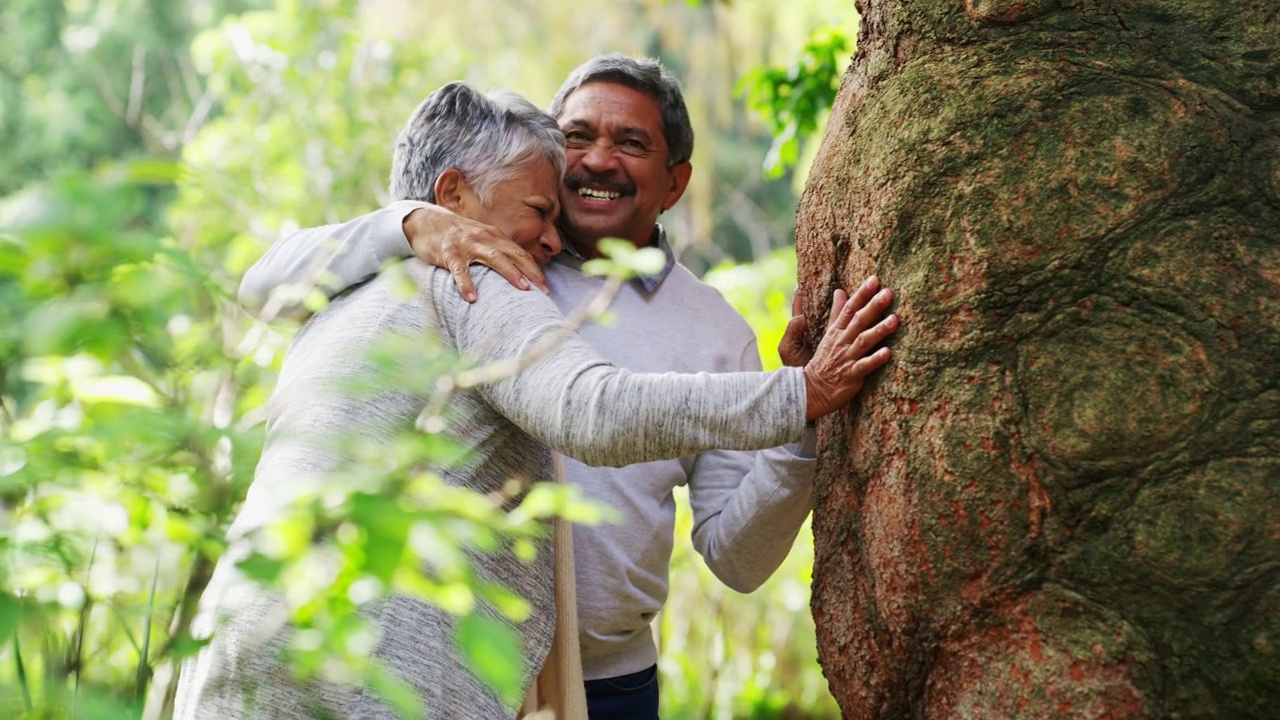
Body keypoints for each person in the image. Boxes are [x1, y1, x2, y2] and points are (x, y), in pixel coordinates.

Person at [237, 56, 895, 719]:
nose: (597, 160)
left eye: (631, 143)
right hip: (445, 667)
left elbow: (738, 561)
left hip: (609, 686)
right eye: (576, 136)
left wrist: (802, 423)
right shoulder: (466, 257)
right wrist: (408, 221)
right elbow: (264, 283)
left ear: (676, 182)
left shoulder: (712, 330)